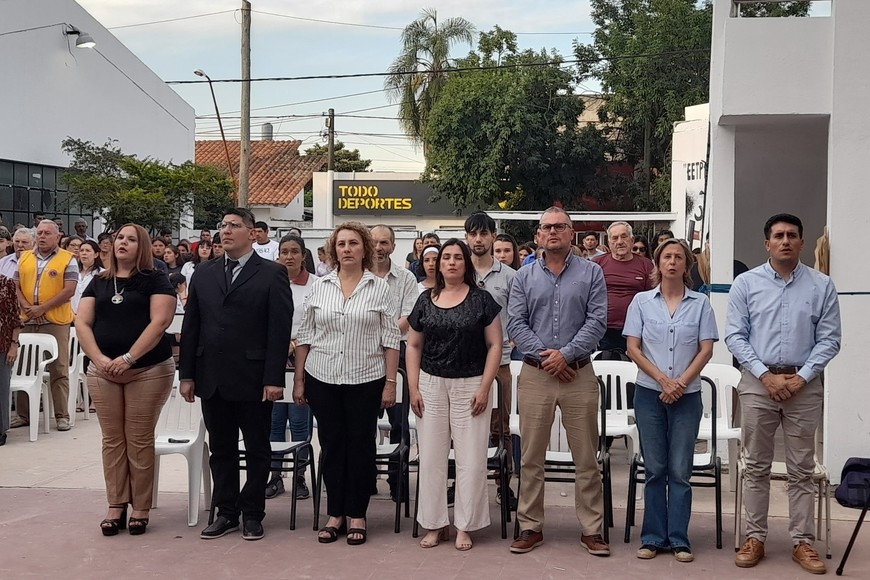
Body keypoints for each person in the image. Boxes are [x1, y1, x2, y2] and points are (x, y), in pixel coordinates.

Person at [726, 213, 841, 575]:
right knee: (755, 466)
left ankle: (803, 541)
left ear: (802, 243)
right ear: (767, 244)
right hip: (758, 385)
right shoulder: (746, 283)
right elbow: (735, 336)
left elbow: (830, 339)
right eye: (779, 236)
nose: (786, 241)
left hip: (804, 386)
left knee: (802, 469)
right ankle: (754, 537)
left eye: (792, 235)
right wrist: (765, 376)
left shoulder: (822, 285)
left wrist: (801, 378)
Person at [180, 208, 293, 542]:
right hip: (212, 376)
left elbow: (279, 330)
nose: (225, 231)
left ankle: (253, 513)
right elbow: (192, 325)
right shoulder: (204, 273)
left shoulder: (272, 273)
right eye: (222, 225)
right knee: (221, 449)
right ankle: (226, 511)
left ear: (252, 233)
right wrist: (187, 374)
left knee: (257, 448)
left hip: (254, 378)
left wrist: (274, 378)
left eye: (234, 225)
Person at [507, 207, 609, 556]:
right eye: (546, 227)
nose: (552, 232)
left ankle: (592, 529)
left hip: (578, 373)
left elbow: (597, 320)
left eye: (559, 227)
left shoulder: (592, 272)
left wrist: (565, 354)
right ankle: (530, 526)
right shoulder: (523, 276)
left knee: (587, 457)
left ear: (571, 232)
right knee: (531, 457)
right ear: (538, 235)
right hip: (536, 375)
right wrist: (549, 358)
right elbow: (516, 322)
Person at [293, 222, 400, 546]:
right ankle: (335, 513)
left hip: (365, 378)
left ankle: (357, 514)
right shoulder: (320, 286)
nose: (347, 249)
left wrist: (391, 383)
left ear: (364, 248)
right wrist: (299, 380)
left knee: (361, 445)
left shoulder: (379, 288)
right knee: (331, 444)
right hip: (322, 377)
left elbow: (391, 339)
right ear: (333, 250)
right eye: (341, 244)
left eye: (353, 243)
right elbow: (306, 335)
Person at [75, 223, 177, 536]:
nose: (123, 243)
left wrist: (129, 358)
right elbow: (82, 322)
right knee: (112, 439)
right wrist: (99, 358)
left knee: (138, 438)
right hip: (103, 371)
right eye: (120, 237)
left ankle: (141, 508)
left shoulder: (155, 279)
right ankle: (116, 505)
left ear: (141, 246)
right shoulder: (99, 281)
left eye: (131, 239)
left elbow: (160, 322)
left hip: (147, 370)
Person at [623, 238, 718, 563]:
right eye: (667, 257)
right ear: (658, 264)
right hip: (650, 394)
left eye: (679, 257)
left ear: (687, 264)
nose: (673, 262)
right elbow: (633, 348)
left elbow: (706, 349)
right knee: (654, 468)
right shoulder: (641, 302)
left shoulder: (701, 303)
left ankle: (679, 538)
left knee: (679, 470)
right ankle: (652, 537)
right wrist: (664, 380)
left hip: (687, 397)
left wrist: (680, 383)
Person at [407, 239, 503, 551]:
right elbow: (414, 345)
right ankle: (435, 524)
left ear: (466, 263)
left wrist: (485, 387)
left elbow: (495, 345)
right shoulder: (425, 300)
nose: (451, 263)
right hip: (431, 385)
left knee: (471, 460)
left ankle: (465, 526)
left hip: (471, 384)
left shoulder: (482, 300)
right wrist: (413, 387)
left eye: (457, 257)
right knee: (431, 459)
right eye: (445, 257)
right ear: (437, 264)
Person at [464, 212, 517, 508]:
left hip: (501, 363)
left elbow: (519, 315)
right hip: (464, 363)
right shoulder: (459, 270)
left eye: (484, 233)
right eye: (473, 234)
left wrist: (514, 338)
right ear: (466, 237)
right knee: (461, 427)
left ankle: (503, 485)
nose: (478, 239)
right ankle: (458, 484)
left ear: (493, 236)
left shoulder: (510, 276)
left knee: (501, 427)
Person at [11, 220, 78, 432]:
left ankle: (62, 416)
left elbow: (69, 290)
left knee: (58, 368)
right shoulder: (24, 257)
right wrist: (29, 308)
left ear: (57, 237)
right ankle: (24, 415)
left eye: (47, 233)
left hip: (56, 321)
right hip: (27, 319)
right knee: (24, 367)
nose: (42, 236)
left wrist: (43, 308)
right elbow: (15, 286)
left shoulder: (68, 259)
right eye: (39, 233)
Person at [264, 234, 316, 501]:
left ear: (303, 256)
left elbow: (318, 323)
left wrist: (295, 344)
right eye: (284, 251)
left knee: (298, 421)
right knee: (274, 421)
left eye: (295, 251)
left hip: (303, 358)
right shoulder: (268, 282)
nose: (289, 257)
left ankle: (299, 475)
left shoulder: (316, 285)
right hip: (274, 358)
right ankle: (275, 476)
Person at [370, 224, 419, 501]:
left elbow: (408, 316)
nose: (379, 248)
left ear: (393, 246)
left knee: (399, 423)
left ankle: (397, 480)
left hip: (398, 355)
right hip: (363, 355)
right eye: (374, 242)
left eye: (384, 243)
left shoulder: (406, 278)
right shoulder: (358, 275)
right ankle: (366, 478)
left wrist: (382, 338)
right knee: (364, 422)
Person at [593, 221, 654, 354]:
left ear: (632, 240)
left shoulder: (646, 265)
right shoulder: (597, 263)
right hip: (603, 330)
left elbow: (653, 298)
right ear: (609, 242)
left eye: (624, 236)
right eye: (615, 238)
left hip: (636, 330)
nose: (619, 242)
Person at [0, 268, 22, 447]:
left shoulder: (5, 283)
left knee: (1, 387)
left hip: (3, 344)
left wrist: (14, 345)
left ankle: (1, 429)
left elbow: (15, 318)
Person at [72, 240, 104, 313]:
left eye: (88, 251)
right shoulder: (73, 272)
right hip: (71, 315)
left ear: (96, 254)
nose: (84, 253)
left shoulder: (102, 274)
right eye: (81, 250)